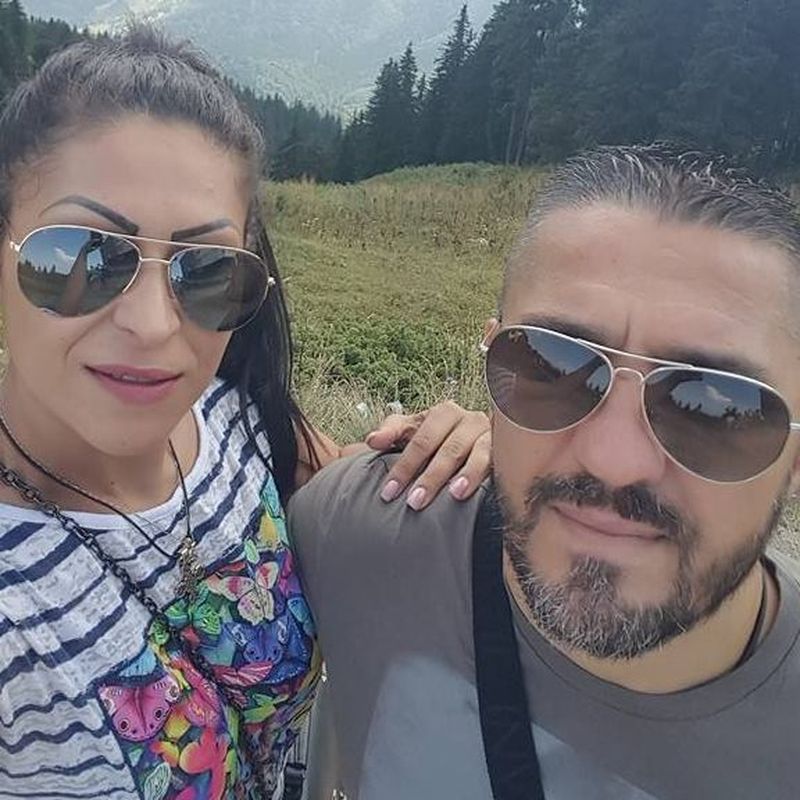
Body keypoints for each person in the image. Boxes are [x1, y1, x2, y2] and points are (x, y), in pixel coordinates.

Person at [0, 29, 491, 800]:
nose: (152, 325)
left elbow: (369, 504)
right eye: (84, 256)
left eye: (205, 271)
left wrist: (458, 451)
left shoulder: (239, 421)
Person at [290, 144, 800, 800]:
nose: (613, 459)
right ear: (490, 365)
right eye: (551, 366)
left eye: (716, 406)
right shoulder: (362, 533)